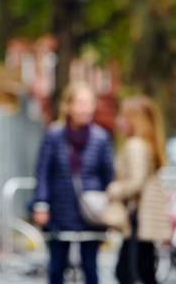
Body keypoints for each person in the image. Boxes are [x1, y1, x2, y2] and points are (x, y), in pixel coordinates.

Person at [31, 81, 114, 284]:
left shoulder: (101, 138)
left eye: (89, 103)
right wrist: (41, 204)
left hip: (91, 213)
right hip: (60, 210)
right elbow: (43, 172)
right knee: (56, 267)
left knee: (91, 267)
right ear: (68, 106)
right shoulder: (54, 135)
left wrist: (109, 210)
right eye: (80, 103)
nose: (85, 109)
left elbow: (108, 177)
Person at [107, 96, 170, 284]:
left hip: (138, 217)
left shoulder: (135, 145)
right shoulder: (146, 144)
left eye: (123, 117)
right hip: (144, 216)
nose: (119, 121)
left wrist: (114, 189)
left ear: (135, 120)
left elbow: (136, 181)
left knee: (127, 272)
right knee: (144, 269)